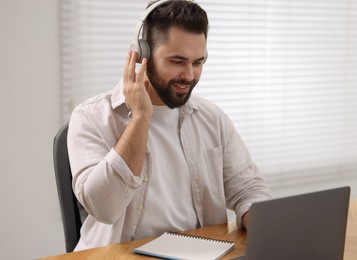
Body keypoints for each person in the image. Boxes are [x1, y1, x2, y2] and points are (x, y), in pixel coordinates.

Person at [67, 0, 271, 251]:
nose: (189, 75)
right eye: (177, 61)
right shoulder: (90, 117)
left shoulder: (212, 118)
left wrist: (264, 222)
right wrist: (141, 118)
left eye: (198, 62)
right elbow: (104, 209)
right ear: (142, 55)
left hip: (200, 253)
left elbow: (248, 190)